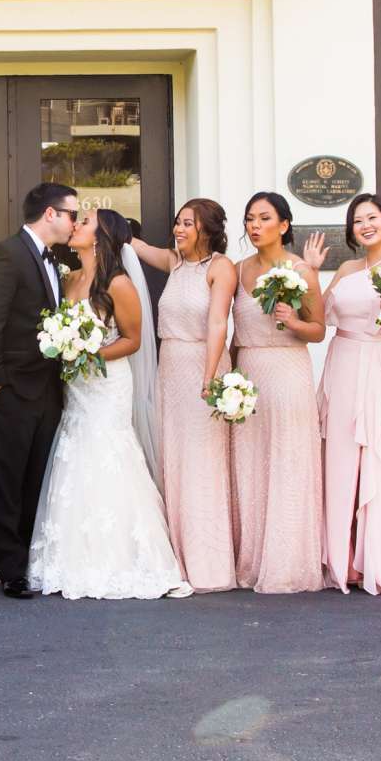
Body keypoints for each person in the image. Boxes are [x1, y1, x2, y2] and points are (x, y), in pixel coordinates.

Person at [26, 207, 191, 600]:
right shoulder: (69, 280)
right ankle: (73, 558)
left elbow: (132, 339)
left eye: (83, 222)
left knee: (108, 453)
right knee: (75, 454)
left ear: (99, 237)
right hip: (76, 387)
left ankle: (129, 559)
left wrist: (90, 354)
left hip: (106, 383)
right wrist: (66, 347)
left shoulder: (117, 284)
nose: (74, 225)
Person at [0, 182, 79, 600]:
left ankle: (34, 560)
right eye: (71, 213)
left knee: (37, 479)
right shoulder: (6, 253)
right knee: (8, 480)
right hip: (12, 389)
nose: (74, 221)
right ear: (50, 214)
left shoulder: (54, 259)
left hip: (48, 389)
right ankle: (10, 569)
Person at [126, 199, 239, 591]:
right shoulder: (175, 262)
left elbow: (218, 322)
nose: (178, 229)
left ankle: (209, 561)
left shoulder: (220, 267)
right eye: (177, 222)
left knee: (202, 462)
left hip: (201, 366)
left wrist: (209, 376)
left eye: (187, 224)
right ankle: (177, 555)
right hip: (170, 367)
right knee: (174, 459)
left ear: (206, 228)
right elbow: (136, 245)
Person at [317, 192, 381, 595]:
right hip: (343, 361)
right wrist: (311, 273)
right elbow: (322, 315)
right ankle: (343, 560)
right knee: (341, 457)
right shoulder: (346, 268)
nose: (365, 225)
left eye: (372, 218)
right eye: (358, 220)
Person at [230, 192, 331, 593]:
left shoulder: (301, 270)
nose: (255, 226)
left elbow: (318, 329)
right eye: (250, 218)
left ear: (283, 226)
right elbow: (235, 331)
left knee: (286, 460)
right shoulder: (238, 270)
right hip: (249, 373)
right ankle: (253, 559)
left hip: (287, 371)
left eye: (264, 218)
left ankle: (287, 561)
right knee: (251, 462)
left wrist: (292, 320)